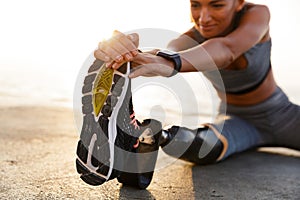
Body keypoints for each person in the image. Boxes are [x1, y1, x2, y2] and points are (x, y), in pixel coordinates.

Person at [76, 0, 300, 189]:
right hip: (235, 121)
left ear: (239, 3)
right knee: (203, 148)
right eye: (195, 5)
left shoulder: (257, 14)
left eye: (217, 5)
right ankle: (144, 140)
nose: (203, 18)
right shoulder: (193, 36)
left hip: (282, 115)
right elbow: (170, 50)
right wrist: (132, 54)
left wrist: (169, 62)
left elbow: (227, 49)